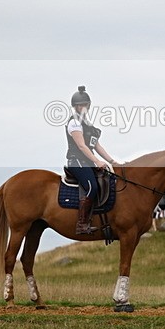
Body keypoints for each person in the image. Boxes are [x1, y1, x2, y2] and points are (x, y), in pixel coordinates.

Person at [65, 85, 118, 234]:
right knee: (92, 187)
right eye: (79, 105)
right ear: (75, 106)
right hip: (76, 162)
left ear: (88, 105)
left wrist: (112, 161)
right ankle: (81, 224)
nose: (83, 107)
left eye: (84, 104)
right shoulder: (74, 122)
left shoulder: (88, 125)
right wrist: (97, 161)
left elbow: (97, 146)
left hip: (87, 162)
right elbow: (82, 146)